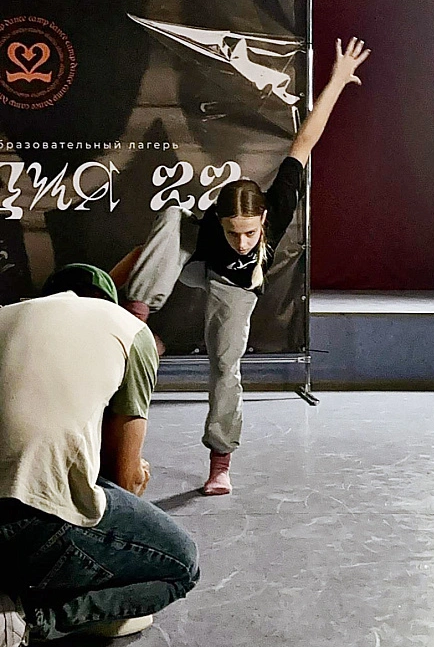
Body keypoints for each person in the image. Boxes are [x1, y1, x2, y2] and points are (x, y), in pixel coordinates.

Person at [111, 37, 371, 496]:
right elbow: (161, 247)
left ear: (264, 219)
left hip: (235, 290)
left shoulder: (279, 203)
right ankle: (138, 320)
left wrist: (335, 81)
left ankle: (220, 461)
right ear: (221, 221)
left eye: (250, 233)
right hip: (196, 266)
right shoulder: (211, 226)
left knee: (225, 367)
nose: (243, 241)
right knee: (171, 218)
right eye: (234, 233)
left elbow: (305, 140)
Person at [0, 263, 199, 646]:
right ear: (110, 302)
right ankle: (26, 621)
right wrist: (136, 475)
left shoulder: (8, 316)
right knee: (180, 565)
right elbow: (124, 476)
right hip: (25, 521)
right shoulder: (129, 330)